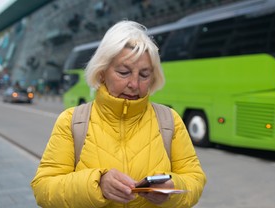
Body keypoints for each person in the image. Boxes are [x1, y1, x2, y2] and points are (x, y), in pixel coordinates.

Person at [31, 20, 206, 207]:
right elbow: (43, 189)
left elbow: (194, 179)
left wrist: (172, 189)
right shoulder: (72, 121)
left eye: (144, 75)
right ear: (101, 73)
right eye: (124, 72)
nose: (134, 84)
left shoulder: (170, 120)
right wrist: (98, 184)